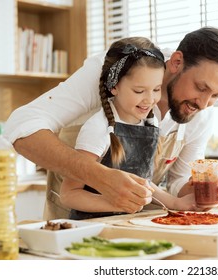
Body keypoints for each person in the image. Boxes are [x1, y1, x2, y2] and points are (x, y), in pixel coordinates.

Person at [4, 27, 218, 219]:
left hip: (138, 228)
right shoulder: (119, 68)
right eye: (201, 87)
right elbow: (20, 125)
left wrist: (196, 192)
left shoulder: (202, 111)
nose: (204, 103)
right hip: (71, 228)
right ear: (177, 62)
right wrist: (100, 177)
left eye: (217, 95)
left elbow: (176, 181)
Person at [59, 37, 197, 219]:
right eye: (139, 91)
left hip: (127, 223)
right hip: (94, 228)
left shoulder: (149, 122)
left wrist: (175, 203)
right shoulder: (98, 129)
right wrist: (116, 201)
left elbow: (141, 183)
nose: (150, 100)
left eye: (156, 89)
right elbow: (69, 194)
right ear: (114, 86)